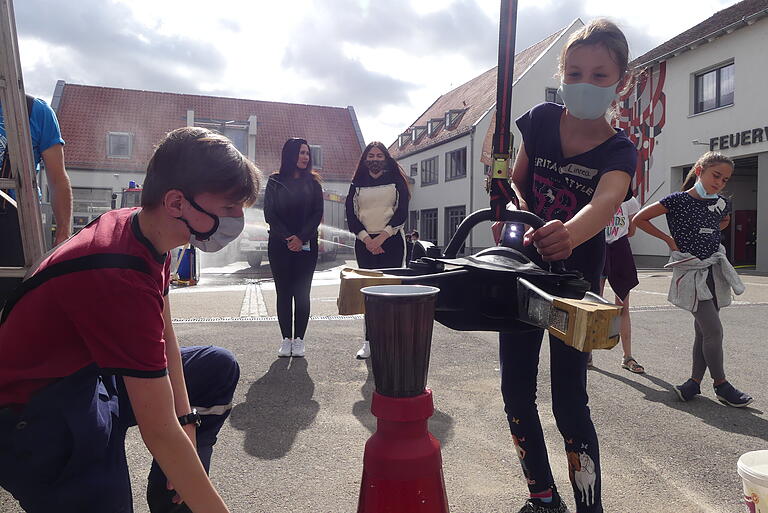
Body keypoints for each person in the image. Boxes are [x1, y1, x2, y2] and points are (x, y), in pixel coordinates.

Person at [0, 126, 260, 513]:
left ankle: (173, 498)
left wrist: (186, 419)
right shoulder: (120, 275)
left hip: (90, 378)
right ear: (176, 202)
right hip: (37, 419)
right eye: (228, 208)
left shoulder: (149, 231)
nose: (237, 219)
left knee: (215, 367)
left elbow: (164, 331)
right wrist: (174, 436)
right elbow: (157, 428)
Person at [492, 19, 637, 513]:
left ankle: (588, 506)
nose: (585, 84)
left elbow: (605, 203)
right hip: (519, 276)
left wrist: (569, 233)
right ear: (562, 74)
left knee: (570, 404)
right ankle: (542, 496)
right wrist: (508, 216)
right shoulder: (537, 120)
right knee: (515, 393)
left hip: (575, 290)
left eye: (600, 75)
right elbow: (515, 184)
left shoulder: (620, 150)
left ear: (622, 81)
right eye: (575, 72)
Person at [632, 151, 751, 407]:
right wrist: (668, 240)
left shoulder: (720, 203)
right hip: (690, 272)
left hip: (713, 271)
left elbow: (724, 220)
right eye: (715, 175)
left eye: (725, 180)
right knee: (714, 330)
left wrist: (710, 234)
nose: (719, 183)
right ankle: (721, 385)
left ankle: (693, 384)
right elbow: (639, 218)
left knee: (703, 332)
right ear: (699, 170)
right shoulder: (677, 200)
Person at [0, 95, 73, 303]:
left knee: (13, 307)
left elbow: (57, 178)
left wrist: (62, 234)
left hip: (17, 225)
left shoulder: (33, 111)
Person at [345, 141, 410, 359]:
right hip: (364, 243)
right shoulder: (356, 184)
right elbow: (351, 215)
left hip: (391, 242)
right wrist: (367, 239)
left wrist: (382, 237)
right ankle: (369, 341)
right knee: (369, 293)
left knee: (390, 291)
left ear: (386, 158)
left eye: (379, 155)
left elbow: (401, 213)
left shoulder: (396, 182)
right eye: (371, 155)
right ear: (365, 160)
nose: (374, 159)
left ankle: (392, 339)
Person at [264, 138, 323, 358]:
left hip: (307, 246)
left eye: (307, 153)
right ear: (289, 155)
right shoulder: (275, 181)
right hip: (279, 245)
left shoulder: (314, 183)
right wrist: (289, 237)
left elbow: (317, 214)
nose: (305, 157)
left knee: (302, 293)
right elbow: (270, 214)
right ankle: (285, 339)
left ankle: (299, 339)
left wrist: (301, 238)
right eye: (300, 153)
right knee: (284, 293)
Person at [598, 194, 643, 373]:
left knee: (623, 305)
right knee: (594, 301)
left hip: (619, 248)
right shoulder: (595, 195)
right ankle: (586, 355)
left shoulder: (629, 201)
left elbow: (632, 230)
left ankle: (628, 356)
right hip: (598, 246)